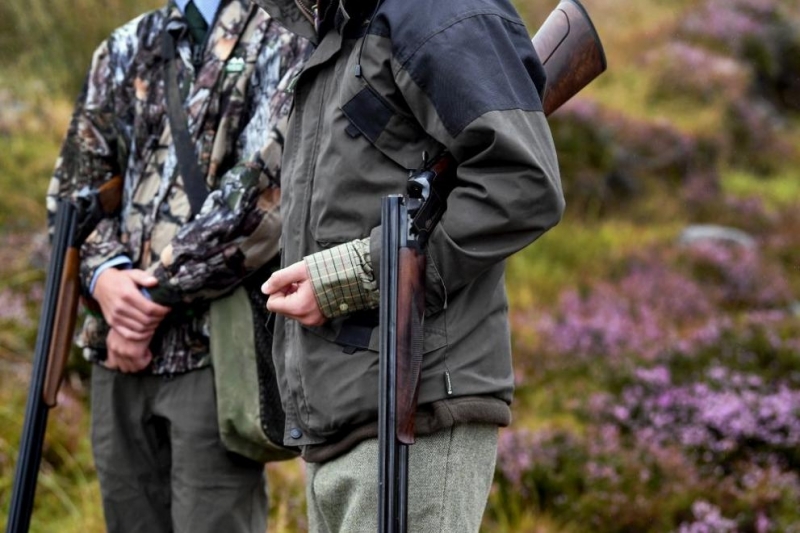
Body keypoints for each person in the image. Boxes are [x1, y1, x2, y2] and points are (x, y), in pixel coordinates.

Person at [256, 0, 565, 530]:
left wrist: (353, 275)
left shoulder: (437, 9)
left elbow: (523, 184)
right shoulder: (342, 29)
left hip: (415, 414)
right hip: (341, 420)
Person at [45, 1, 306, 531]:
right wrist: (105, 277)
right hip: (117, 358)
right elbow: (73, 190)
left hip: (215, 358)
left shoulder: (287, 36)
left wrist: (148, 301)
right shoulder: (125, 46)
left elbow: (261, 196)